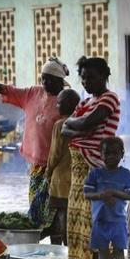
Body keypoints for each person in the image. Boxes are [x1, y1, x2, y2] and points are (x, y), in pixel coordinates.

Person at [0, 57, 69, 231]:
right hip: (35, 165)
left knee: (55, 208)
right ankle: (38, 242)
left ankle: (55, 243)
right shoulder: (33, 93)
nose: (45, 82)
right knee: (36, 206)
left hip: (56, 166)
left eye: (49, 79)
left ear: (60, 81)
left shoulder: (66, 100)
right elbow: (6, 90)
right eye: (43, 78)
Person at [62, 57, 121, 259]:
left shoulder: (110, 98)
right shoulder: (86, 101)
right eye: (84, 78)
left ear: (104, 76)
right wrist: (80, 127)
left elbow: (87, 122)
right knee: (84, 223)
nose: (86, 82)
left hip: (96, 166)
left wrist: (78, 127)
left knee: (98, 222)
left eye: (92, 77)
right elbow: (66, 128)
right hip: (79, 169)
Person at [83, 137, 130, 259]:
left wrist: (112, 192)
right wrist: (101, 196)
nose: (111, 157)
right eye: (107, 153)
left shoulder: (126, 174)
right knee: (103, 256)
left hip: (118, 221)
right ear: (101, 154)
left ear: (122, 155)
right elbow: (87, 193)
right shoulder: (95, 173)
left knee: (119, 255)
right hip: (100, 220)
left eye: (115, 153)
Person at [43, 87, 80, 245]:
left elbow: (55, 154)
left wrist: (48, 172)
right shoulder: (82, 122)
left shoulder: (60, 125)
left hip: (61, 179)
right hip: (78, 176)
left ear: (67, 105)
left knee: (62, 215)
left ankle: (65, 249)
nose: (56, 106)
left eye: (59, 103)